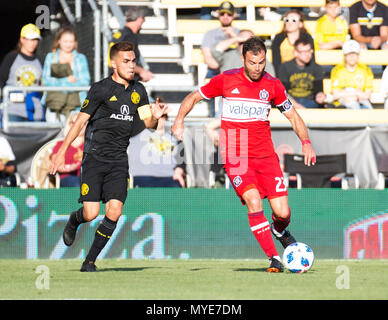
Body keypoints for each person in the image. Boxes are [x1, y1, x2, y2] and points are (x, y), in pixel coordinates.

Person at [172, 36, 316, 273]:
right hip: (235, 155)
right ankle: (274, 258)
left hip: (266, 157)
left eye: (261, 63)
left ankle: (279, 230)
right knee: (253, 201)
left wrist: (306, 141)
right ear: (243, 59)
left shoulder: (273, 85)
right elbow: (194, 97)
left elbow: (292, 116)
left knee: (283, 212)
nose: (257, 68)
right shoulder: (226, 80)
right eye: (252, 63)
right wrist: (179, 120)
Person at [49, 41, 168, 272]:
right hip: (94, 158)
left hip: (118, 160)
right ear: (113, 64)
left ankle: (89, 261)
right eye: (126, 61)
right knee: (91, 213)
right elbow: (80, 122)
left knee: (114, 210)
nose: (131, 66)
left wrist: (155, 117)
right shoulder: (100, 89)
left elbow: (148, 124)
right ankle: (75, 220)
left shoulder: (139, 90)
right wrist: (61, 153)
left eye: (133, 61)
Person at [42, 26, 90, 123]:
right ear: (59, 41)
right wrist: (67, 81)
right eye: (65, 41)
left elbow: (85, 81)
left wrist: (60, 84)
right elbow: (46, 80)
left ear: (75, 42)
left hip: (76, 106)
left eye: (71, 41)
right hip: (54, 105)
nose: (68, 44)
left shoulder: (80, 58)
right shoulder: (51, 57)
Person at [0, 23, 44, 122]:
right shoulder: (11, 57)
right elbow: (1, 80)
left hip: (35, 110)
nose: (33, 43)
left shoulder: (40, 60)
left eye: (35, 40)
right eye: (30, 39)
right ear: (22, 39)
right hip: (13, 109)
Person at [128, 113, 186, 188]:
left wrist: (179, 172)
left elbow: (181, 161)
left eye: (161, 116)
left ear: (165, 118)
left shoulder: (175, 139)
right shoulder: (138, 135)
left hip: (170, 177)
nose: (157, 119)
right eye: (154, 116)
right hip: (144, 176)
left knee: (176, 189)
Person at [277, 36, 326, 108]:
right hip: (291, 102)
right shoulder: (285, 67)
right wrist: (298, 107)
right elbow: (283, 93)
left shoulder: (316, 68)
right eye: (304, 52)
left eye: (309, 51)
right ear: (296, 53)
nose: (308, 54)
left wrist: (320, 96)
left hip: (311, 102)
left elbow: (318, 90)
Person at [109, 6, 154, 82]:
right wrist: (142, 72)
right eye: (143, 20)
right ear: (140, 19)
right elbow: (124, 61)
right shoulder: (129, 37)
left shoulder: (120, 34)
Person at [201, 1, 240, 79]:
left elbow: (245, 53)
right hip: (216, 70)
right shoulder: (210, 33)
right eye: (222, 14)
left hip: (235, 69)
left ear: (234, 15)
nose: (225, 17)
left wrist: (234, 36)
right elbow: (207, 56)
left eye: (229, 14)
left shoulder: (239, 32)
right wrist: (221, 67)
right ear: (218, 13)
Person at [330, 39, 374, 109]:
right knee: (352, 105)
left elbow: (367, 95)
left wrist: (354, 96)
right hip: (342, 101)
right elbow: (336, 94)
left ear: (358, 55)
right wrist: (353, 94)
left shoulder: (366, 70)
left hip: (361, 100)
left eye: (354, 54)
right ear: (344, 55)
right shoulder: (337, 70)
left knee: (367, 109)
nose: (352, 57)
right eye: (349, 54)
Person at [272, 9, 315, 76]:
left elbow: (312, 60)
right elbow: (276, 63)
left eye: (294, 20)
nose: (290, 23)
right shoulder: (278, 38)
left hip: (304, 75)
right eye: (287, 20)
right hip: (284, 75)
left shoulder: (307, 38)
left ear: (300, 24)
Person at [51, 112, 85, 187]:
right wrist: (70, 168)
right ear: (69, 124)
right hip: (67, 177)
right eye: (74, 123)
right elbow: (54, 165)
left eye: (82, 123)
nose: (78, 126)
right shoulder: (61, 145)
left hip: (87, 176)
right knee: (77, 184)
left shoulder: (89, 143)